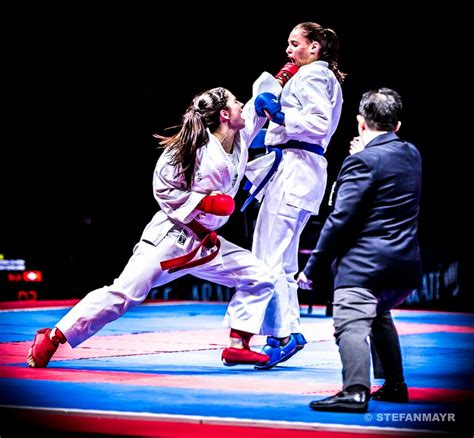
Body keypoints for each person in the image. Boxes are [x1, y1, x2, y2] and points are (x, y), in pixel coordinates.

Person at [27, 86, 282, 369]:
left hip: (206, 244)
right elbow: (163, 186)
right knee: (125, 293)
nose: (243, 105)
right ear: (224, 114)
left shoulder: (239, 137)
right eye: (237, 102)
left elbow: (255, 111)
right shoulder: (191, 147)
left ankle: (238, 345)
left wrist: (285, 75)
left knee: (259, 275)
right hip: (171, 237)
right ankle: (53, 336)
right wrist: (204, 203)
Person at [297, 88, 422, 412]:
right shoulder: (412, 154)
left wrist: (312, 269)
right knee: (379, 313)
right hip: (404, 269)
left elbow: (339, 218)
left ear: (360, 123)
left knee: (350, 321)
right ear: (397, 125)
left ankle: (355, 390)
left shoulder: (361, 161)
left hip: (366, 267)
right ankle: (395, 385)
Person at [243, 22, 346, 369]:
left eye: (294, 43)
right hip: (294, 169)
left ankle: (281, 336)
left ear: (314, 47)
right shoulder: (311, 77)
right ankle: (289, 333)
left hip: (295, 171)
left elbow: (316, 124)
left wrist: (277, 111)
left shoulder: (315, 74)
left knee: (268, 258)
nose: (288, 50)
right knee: (283, 264)